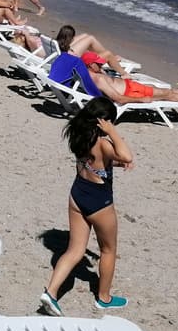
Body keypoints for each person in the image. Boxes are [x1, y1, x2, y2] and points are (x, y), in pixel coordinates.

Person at [37, 97, 134, 316]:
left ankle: (51, 292)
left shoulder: (80, 135)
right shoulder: (103, 142)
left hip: (77, 195)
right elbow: (125, 154)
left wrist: (119, 162)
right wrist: (113, 133)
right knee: (108, 250)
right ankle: (104, 298)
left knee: (74, 250)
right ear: (104, 121)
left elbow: (97, 162)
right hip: (99, 203)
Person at [83, 53, 178, 105]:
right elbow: (118, 98)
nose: (101, 64)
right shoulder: (98, 80)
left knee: (159, 89)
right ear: (90, 65)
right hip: (131, 93)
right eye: (98, 63)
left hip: (130, 86)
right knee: (166, 94)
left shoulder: (92, 72)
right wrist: (141, 99)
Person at [47, 26, 103, 96]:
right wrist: (99, 96)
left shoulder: (55, 44)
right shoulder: (74, 60)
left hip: (52, 78)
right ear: (72, 39)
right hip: (61, 83)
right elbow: (86, 80)